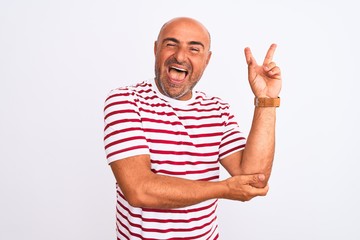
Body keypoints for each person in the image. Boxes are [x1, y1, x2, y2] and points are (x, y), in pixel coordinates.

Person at [103, 17, 282, 240]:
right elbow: (139, 189)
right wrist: (223, 189)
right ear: (155, 49)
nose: (180, 56)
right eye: (171, 44)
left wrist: (266, 101)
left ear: (207, 60)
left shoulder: (217, 109)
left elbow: (254, 178)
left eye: (194, 49)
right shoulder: (126, 101)